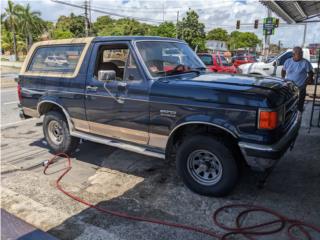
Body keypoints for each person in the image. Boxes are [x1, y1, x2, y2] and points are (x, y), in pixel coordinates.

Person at [281, 46, 314, 112]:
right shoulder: (288, 61)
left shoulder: (305, 62)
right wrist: (283, 79)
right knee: (289, 103)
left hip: (300, 87)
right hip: (289, 86)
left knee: (300, 105)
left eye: (302, 53)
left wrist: (305, 84)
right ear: (293, 54)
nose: (301, 54)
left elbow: (311, 73)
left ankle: (299, 116)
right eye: (299, 53)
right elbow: (283, 71)